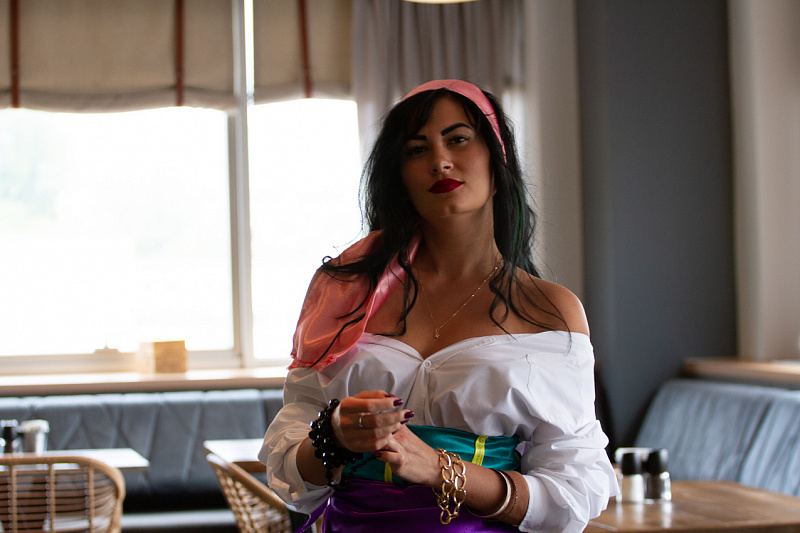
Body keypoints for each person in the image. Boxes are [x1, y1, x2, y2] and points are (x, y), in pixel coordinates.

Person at [260, 79, 617, 532]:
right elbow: (288, 465)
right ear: (399, 176)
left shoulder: (549, 310)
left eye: (458, 139)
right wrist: (333, 436)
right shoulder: (342, 291)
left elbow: (574, 490)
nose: (440, 161)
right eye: (416, 149)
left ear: (496, 157)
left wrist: (439, 468)